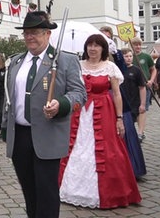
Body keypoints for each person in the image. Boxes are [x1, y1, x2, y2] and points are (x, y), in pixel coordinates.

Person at [2, 11, 86, 218]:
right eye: (26, 33)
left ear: (48, 34)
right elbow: (9, 98)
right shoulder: (15, 62)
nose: (30, 37)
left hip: (48, 134)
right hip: (20, 135)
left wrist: (62, 104)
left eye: (35, 32)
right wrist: (5, 127)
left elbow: (79, 94)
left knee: (47, 192)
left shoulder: (64, 60)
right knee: (29, 190)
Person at [59, 34, 141, 209]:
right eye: (90, 45)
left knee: (108, 149)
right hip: (79, 112)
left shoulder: (109, 67)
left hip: (104, 111)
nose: (93, 48)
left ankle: (110, 193)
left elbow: (117, 94)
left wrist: (119, 118)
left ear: (103, 48)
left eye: (97, 45)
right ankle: (71, 188)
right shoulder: (77, 66)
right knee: (75, 146)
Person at [119, 48, 147, 179]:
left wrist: (142, 104)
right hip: (121, 106)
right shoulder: (118, 69)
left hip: (133, 105)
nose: (128, 58)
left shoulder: (136, 70)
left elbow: (142, 88)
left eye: (130, 56)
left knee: (131, 134)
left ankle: (135, 166)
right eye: (126, 56)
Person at [130, 37, 156, 138]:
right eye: (136, 44)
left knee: (143, 108)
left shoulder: (146, 57)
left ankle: (141, 132)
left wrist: (151, 81)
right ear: (131, 45)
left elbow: (153, 70)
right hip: (132, 87)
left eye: (139, 44)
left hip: (145, 86)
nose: (138, 46)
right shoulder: (129, 56)